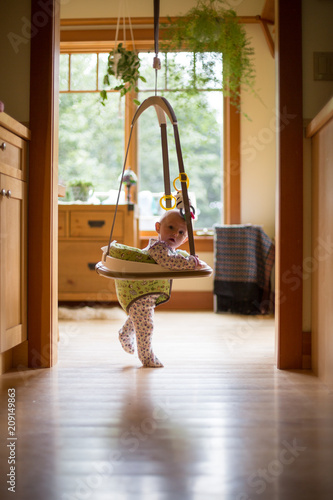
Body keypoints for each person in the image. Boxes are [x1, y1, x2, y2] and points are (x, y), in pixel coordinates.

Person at [115, 210, 204, 368]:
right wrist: (191, 263)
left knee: (138, 318)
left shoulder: (168, 249)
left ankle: (125, 333)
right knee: (146, 325)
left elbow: (175, 257)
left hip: (144, 293)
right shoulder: (158, 248)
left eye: (181, 232)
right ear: (158, 227)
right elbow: (171, 262)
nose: (175, 233)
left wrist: (189, 260)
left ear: (185, 239)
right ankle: (146, 357)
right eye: (170, 227)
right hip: (140, 292)